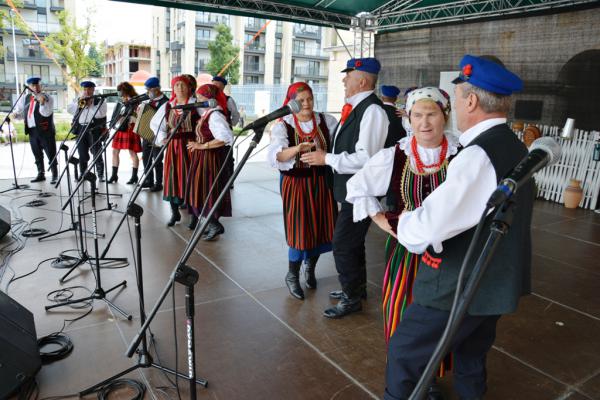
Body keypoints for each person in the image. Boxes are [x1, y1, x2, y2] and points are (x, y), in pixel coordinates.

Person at [383, 55, 532, 400]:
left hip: (458, 284)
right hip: (494, 282)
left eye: (458, 95)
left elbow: (429, 228)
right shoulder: (514, 145)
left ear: (470, 101)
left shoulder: (477, 155)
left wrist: (403, 221)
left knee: (405, 351)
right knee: (470, 356)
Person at [347, 87, 458, 398]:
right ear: (408, 118)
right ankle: (404, 377)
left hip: (450, 252)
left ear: (444, 116)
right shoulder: (395, 155)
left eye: (431, 114)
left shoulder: (462, 154)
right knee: (401, 311)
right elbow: (358, 188)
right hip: (406, 251)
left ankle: (431, 376)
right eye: (417, 115)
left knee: (442, 315)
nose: (424, 122)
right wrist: (384, 221)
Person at [301, 57, 389, 318]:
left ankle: (351, 297)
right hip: (352, 189)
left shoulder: (372, 111)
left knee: (341, 244)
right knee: (353, 242)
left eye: (348, 75)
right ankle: (356, 288)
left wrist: (326, 158)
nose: (343, 80)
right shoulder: (356, 108)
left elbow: (366, 157)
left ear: (362, 80)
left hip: (362, 191)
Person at [267, 82, 339, 300]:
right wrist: (297, 149)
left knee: (320, 226)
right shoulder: (284, 125)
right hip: (296, 183)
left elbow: (339, 147)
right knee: (299, 229)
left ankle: (311, 268)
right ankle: (292, 274)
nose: (306, 103)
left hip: (322, 181)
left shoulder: (327, 121)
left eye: (309, 98)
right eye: (301, 100)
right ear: (292, 103)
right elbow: (276, 156)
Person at [185, 83, 233, 240]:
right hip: (203, 158)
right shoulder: (207, 113)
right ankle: (209, 223)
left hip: (210, 159)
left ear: (210, 99)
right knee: (200, 191)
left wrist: (202, 145)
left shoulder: (215, 115)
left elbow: (225, 138)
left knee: (206, 191)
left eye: (201, 97)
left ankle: (214, 224)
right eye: (198, 96)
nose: (198, 100)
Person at [151, 75, 199, 227]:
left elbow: (208, 122)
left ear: (189, 87)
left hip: (191, 146)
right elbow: (155, 124)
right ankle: (175, 213)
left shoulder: (196, 104)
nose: (179, 88)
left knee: (191, 179)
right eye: (176, 85)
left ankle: (194, 216)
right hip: (173, 147)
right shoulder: (168, 106)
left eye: (182, 85)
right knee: (172, 178)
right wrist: (162, 138)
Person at [11, 77, 58, 183]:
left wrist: (41, 103)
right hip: (32, 131)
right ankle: (40, 174)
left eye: (37, 85)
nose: (35, 87)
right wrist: (16, 115)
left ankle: (55, 175)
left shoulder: (47, 97)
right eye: (33, 86)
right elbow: (23, 114)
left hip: (46, 131)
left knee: (51, 153)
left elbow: (46, 113)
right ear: (29, 87)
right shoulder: (26, 98)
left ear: (40, 86)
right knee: (37, 154)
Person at [67, 81, 107, 180]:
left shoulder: (99, 100)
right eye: (85, 89)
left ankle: (100, 174)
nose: (87, 91)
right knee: (82, 152)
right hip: (81, 128)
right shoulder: (78, 99)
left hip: (94, 128)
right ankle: (83, 173)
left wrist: (90, 106)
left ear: (93, 90)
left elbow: (101, 114)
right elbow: (69, 110)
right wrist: (80, 104)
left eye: (89, 89)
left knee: (96, 151)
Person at [107, 82, 142, 184]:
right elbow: (119, 113)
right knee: (115, 151)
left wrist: (131, 118)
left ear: (127, 91)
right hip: (121, 128)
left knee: (132, 152)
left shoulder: (136, 101)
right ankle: (114, 175)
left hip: (130, 128)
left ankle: (134, 176)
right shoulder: (122, 101)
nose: (121, 94)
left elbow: (139, 116)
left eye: (122, 92)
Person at [139, 76, 168, 192]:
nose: (147, 92)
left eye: (149, 90)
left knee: (157, 160)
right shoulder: (148, 101)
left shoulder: (166, 102)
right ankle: (148, 180)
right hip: (146, 134)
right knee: (146, 158)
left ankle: (158, 183)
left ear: (156, 89)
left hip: (158, 136)